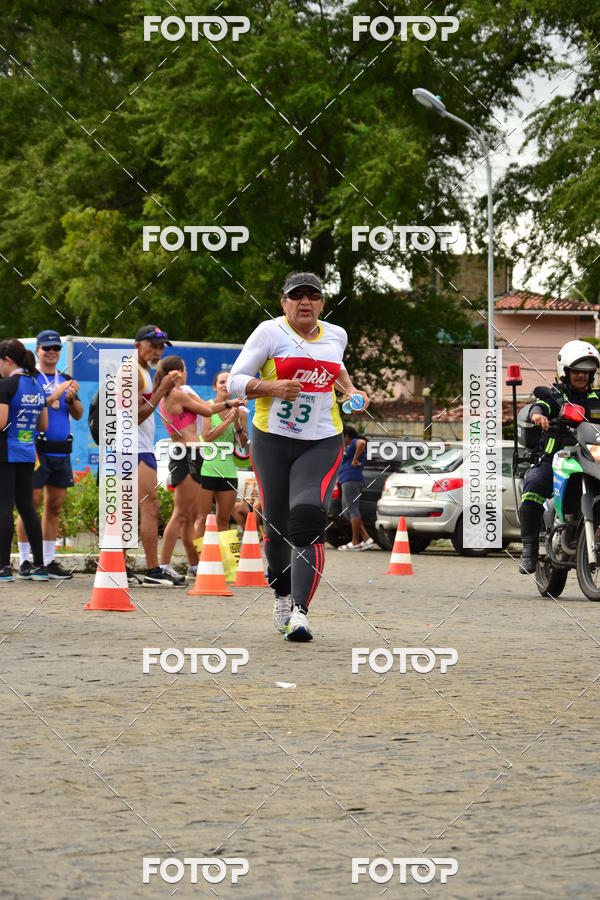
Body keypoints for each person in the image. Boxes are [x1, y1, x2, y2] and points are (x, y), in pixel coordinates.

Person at [227, 271, 369, 642]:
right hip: (271, 440)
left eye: (313, 296)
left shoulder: (336, 334)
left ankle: (301, 614)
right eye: (297, 296)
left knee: (305, 518)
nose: (305, 302)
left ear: (322, 303)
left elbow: (337, 371)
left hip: (321, 440)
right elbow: (234, 381)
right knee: (275, 528)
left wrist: (353, 392)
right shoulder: (269, 333)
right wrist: (272, 386)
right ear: (283, 302)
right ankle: (282, 594)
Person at [155, 356, 242, 580]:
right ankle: (162, 566)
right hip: (187, 456)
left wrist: (226, 405)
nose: (186, 373)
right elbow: (205, 411)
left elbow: (204, 407)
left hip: (191, 455)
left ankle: (195, 565)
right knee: (181, 514)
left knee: (191, 515)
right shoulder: (176, 394)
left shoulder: (175, 394)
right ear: (177, 373)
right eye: (184, 368)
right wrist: (229, 404)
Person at [519, 340, 600, 574]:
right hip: (556, 460)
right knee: (533, 486)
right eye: (577, 372)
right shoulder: (556, 397)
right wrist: (538, 416)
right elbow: (540, 406)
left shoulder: (597, 400)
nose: (582, 377)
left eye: (587, 373)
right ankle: (529, 550)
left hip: (591, 459)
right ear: (565, 372)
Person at [15, 330, 83, 579]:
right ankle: (25, 562)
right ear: (38, 351)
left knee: (54, 507)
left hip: (60, 449)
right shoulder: (30, 379)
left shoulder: (65, 378)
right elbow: (35, 405)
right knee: (29, 505)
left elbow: (77, 414)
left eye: (56, 348)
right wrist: (55, 394)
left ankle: (48, 561)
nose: (52, 352)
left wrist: (72, 398)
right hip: (35, 450)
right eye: (47, 348)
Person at [133, 324, 186, 586]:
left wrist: (161, 384)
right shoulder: (131, 371)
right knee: (149, 506)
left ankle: (139, 568)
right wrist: (163, 389)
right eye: (152, 345)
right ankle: (152, 569)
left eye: (161, 346)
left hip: (140, 447)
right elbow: (136, 415)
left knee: (139, 508)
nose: (157, 351)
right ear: (137, 346)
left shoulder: (143, 371)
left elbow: (146, 403)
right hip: (131, 449)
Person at [0, 339, 50, 582]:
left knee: (4, 506)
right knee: (27, 507)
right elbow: (44, 425)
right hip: (28, 453)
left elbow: (1, 423)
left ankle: (3, 568)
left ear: (7, 360)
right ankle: (40, 565)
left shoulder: (6, 385)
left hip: (6, 452)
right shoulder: (36, 385)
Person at [196, 371, 248, 536]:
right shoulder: (207, 407)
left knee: (224, 520)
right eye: (221, 382)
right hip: (206, 468)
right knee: (202, 518)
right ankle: (197, 560)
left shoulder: (240, 412)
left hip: (228, 470)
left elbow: (243, 443)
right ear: (214, 386)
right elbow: (207, 436)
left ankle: (225, 561)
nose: (225, 385)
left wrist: (237, 424)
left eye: (228, 382)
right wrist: (228, 420)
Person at [337, 425, 374, 551]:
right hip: (346, 480)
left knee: (352, 509)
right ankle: (366, 538)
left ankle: (355, 542)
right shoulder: (347, 447)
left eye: (343, 436)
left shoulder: (353, 443)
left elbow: (362, 443)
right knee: (347, 511)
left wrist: (354, 459)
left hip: (351, 479)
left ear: (347, 436)